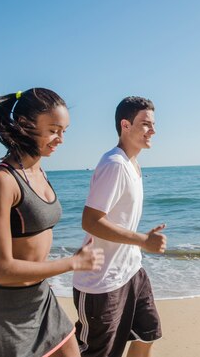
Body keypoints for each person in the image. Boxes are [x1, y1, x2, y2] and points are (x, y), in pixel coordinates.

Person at [0, 88, 105, 357]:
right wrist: (72, 263)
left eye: (64, 131)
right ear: (25, 125)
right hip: (7, 311)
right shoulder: (1, 180)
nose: (60, 139)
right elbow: (1, 269)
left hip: (41, 298)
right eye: (53, 130)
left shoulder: (38, 170)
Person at [72, 96, 167, 357]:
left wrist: (138, 246)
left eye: (153, 124)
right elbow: (90, 221)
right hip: (101, 283)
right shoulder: (114, 164)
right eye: (146, 124)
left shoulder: (132, 163)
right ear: (125, 125)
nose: (153, 131)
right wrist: (142, 240)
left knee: (148, 334)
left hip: (131, 271)